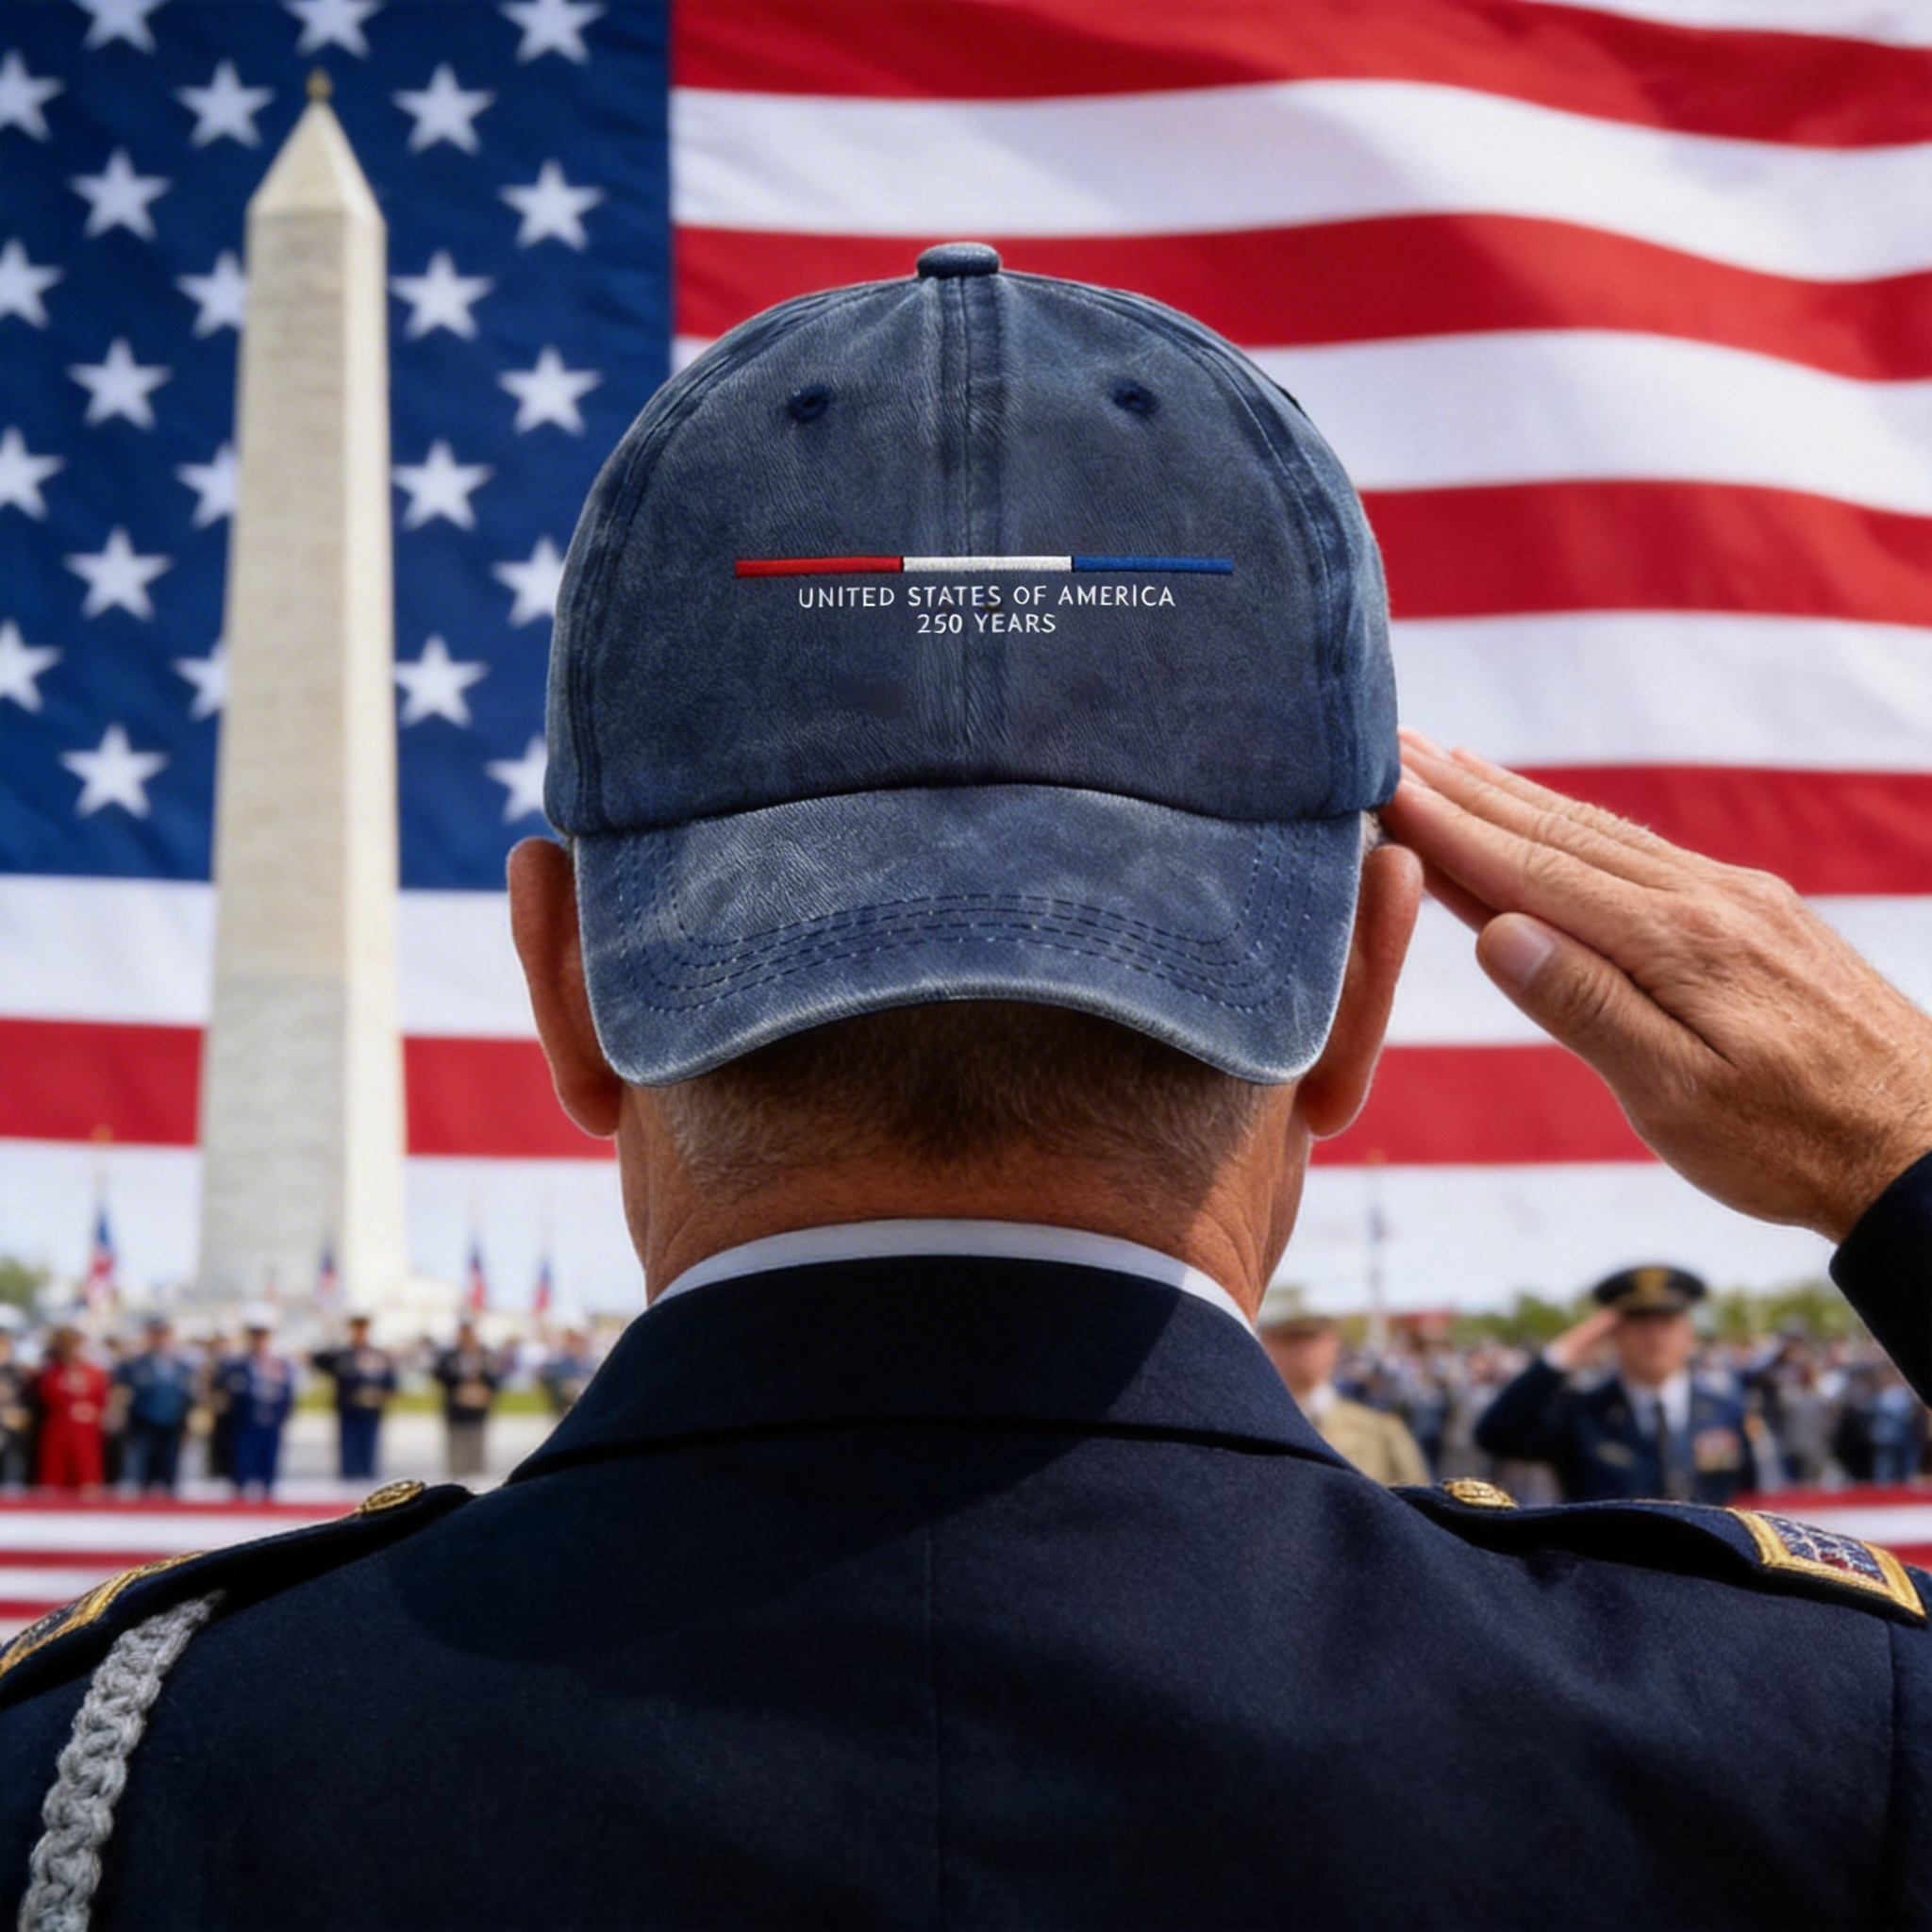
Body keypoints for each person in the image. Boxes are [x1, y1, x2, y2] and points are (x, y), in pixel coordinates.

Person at [5, 246, 1932, 1928]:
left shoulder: (100, 1790)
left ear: (564, 980)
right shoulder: (1810, 1753)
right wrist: (1899, 1166)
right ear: (1360, 991)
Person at [1473, 1266, 1761, 1503]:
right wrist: (1563, 1355)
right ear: (1612, 1334)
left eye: (1667, 1321)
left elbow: (1751, 1498)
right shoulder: (1583, 1414)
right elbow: (1495, 1433)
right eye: (1639, 1322)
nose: (1654, 1336)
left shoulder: (1726, 1412)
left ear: (1689, 1331)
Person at [1259, 1310, 1431, 1486]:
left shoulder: (1381, 1430)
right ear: (1265, 1344)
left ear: (1333, 1344)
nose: (1303, 1351)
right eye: (1290, 1341)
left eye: (1313, 1340)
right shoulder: (1254, 1428)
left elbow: (1417, 1504)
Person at [216, 1315, 296, 1499]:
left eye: (263, 1337)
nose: (259, 1341)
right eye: (255, 1336)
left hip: (270, 1423)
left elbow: (287, 1394)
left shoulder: (279, 1364)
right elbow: (223, 1391)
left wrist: (283, 1416)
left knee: (267, 1470)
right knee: (242, 1468)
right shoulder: (236, 1365)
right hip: (244, 1423)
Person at [115, 1318, 197, 1496]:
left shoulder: (182, 1367)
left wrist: (186, 1424)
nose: (161, 1339)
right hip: (144, 1425)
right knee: (143, 1473)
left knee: (169, 1473)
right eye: (157, 1335)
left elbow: (188, 1398)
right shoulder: (134, 1366)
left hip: (172, 1426)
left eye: (165, 1335)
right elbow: (122, 1395)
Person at [312, 1315, 398, 1483]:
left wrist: (380, 1397)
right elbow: (318, 1360)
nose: (360, 1333)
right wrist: (334, 1338)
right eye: (356, 1329)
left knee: (369, 1457)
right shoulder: (343, 1354)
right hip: (349, 1412)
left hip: (371, 1412)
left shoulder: (378, 1355)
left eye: (363, 1329)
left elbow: (390, 1384)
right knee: (349, 1458)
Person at [29, 1326, 108, 1493]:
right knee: (54, 1477)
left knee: (86, 1477)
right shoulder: (52, 1373)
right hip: (58, 1430)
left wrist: (91, 1410)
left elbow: (100, 1401)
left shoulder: (94, 1373)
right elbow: (48, 1397)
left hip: (86, 1433)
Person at [432, 1321, 499, 1479]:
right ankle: (456, 1479)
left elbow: (495, 1379)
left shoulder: (485, 1354)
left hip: (477, 1409)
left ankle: (476, 1478)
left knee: (475, 1445)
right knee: (456, 1450)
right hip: (456, 1409)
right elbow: (439, 1375)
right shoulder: (450, 1356)